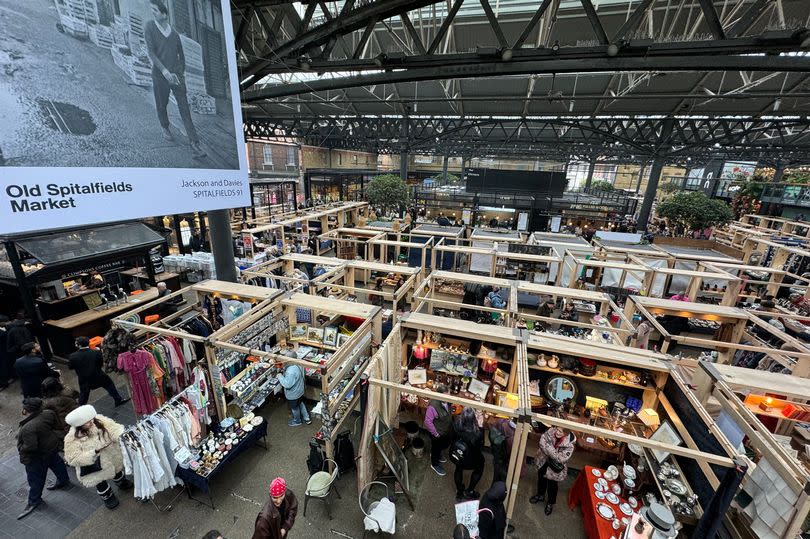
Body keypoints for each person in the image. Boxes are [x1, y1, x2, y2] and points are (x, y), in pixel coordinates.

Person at [145, 0, 206, 159]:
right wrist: (165, 71)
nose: (153, 13)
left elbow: (182, 57)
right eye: (152, 10)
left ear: (164, 14)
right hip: (160, 75)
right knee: (162, 103)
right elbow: (152, 53)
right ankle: (165, 126)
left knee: (185, 109)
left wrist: (180, 73)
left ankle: (195, 144)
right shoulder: (150, 27)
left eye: (155, 11)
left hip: (176, 77)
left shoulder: (174, 35)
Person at [63, 405, 132, 509]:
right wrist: (94, 452)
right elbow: (72, 459)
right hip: (94, 465)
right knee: (100, 482)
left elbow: (114, 428)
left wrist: (120, 435)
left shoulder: (99, 420)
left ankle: (121, 482)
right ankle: (108, 496)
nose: (91, 422)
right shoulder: (71, 438)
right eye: (86, 422)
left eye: (91, 419)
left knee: (117, 470)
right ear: (79, 425)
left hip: (111, 455)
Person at [16, 397, 72, 520]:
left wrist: (20, 447)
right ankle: (63, 481)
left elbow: (30, 446)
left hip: (37, 458)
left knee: (35, 480)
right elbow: (56, 426)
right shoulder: (48, 413)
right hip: (51, 447)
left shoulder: (28, 428)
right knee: (58, 464)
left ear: (26, 410)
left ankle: (34, 501)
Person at [68, 336, 130, 407]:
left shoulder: (72, 356)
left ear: (78, 345)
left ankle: (80, 407)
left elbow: (70, 367)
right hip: (98, 375)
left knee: (84, 394)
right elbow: (100, 364)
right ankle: (118, 399)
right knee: (109, 385)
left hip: (84, 378)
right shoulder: (96, 352)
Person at [530, 426, 575, 515]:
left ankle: (550, 503)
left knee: (552, 486)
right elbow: (541, 442)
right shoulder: (550, 431)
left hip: (554, 467)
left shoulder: (570, 445)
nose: (557, 432)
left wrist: (548, 448)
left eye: (560, 432)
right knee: (541, 479)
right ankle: (540, 495)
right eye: (557, 429)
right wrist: (554, 453)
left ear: (565, 434)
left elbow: (560, 459)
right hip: (543, 461)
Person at [451, 408, 485, 502]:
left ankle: (459, 492)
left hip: (459, 455)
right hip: (472, 459)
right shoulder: (477, 433)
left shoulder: (457, 424)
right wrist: (481, 427)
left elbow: (452, 437)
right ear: (474, 418)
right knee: (479, 468)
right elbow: (480, 446)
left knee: (458, 469)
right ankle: (469, 491)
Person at [424, 384, 452, 476]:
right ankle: (434, 464)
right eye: (446, 395)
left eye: (449, 394)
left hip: (445, 430)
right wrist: (435, 434)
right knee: (436, 448)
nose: (449, 397)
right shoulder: (433, 406)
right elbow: (428, 422)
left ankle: (437, 454)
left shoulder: (447, 401)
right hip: (437, 433)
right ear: (439, 395)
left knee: (444, 444)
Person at [41, 377, 78, 441]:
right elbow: (77, 394)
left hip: (63, 425)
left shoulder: (46, 403)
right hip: (77, 417)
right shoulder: (69, 391)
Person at [489, 418, 515, 484]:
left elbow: (491, 428)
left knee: (496, 474)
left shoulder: (501, 421)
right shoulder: (513, 437)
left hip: (496, 453)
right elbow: (512, 454)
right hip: (504, 460)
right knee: (501, 480)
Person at [0, 314, 12, 389]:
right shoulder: (2, 333)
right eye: (6, 322)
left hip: (5, 350)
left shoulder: (4, 328)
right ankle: (4, 381)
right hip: (2, 351)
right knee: (3, 366)